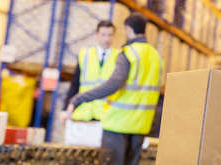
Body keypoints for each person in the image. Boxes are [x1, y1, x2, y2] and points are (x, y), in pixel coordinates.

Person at [66, 13, 163, 165]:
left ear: (128, 29)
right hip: (141, 124)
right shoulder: (156, 56)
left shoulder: (128, 53)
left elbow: (112, 85)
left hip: (118, 123)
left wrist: (79, 99)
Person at [60, 20, 119, 123]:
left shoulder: (119, 57)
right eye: (103, 34)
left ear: (114, 36)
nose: (106, 38)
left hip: (106, 116)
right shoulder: (85, 55)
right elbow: (75, 84)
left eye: (110, 35)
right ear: (96, 35)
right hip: (83, 113)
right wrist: (65, 109)